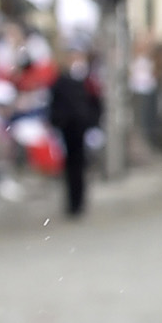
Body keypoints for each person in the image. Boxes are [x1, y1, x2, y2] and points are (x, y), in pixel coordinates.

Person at [46, 50, 102, 219]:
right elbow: (54, 103)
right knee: (71, 166)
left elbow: (96, 104)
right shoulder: (61, 81)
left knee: (80, 165)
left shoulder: (87, 82)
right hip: (67, 128)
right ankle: (72, 203)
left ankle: (80, 202)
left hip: (82, 128)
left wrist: (93, 124)